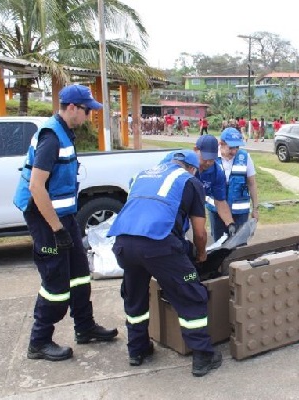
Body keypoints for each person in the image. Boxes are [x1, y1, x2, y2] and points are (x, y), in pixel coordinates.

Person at [12, 84, 118, 362]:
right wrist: (57, 230)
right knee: (56, 283)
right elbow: (36, 186)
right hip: (47, 221)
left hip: (64, 217)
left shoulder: (65, 132)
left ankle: (84, 327)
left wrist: (64, 224)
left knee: (81, 273)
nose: (88, 117)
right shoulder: (51, 137)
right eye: (86, 111)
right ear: (72, 108)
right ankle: (39, 341)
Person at [107, 150, 222, 377]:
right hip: (159, 246)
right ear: (191, 168)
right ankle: (202, 356)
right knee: (191, 292)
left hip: (124, 245)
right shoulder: (190, 181)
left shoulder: (143, 175)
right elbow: (199, 233)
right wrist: (200, 255)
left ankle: (137, 350)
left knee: (135, 295)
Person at [209, 127, 259, 241]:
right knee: (219, 244)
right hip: (216, 211)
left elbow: (252, 184)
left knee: (239, 244)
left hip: (240, 212)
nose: (234, 151)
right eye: (231, 148)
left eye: (237, 147)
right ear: (221, 143)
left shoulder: (245, 157)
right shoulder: (211, 157)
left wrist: (255, 209)